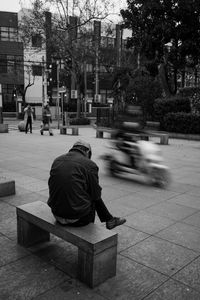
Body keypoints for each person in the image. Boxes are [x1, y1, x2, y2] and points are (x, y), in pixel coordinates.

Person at [48, 140, 126, 229]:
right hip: (78, 219)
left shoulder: (57, 160)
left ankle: (109, 219)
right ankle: (107, 221)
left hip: (57, 214)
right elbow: (96, 194)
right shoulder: (89, 164)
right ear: (87, 152)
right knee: (93, 197)